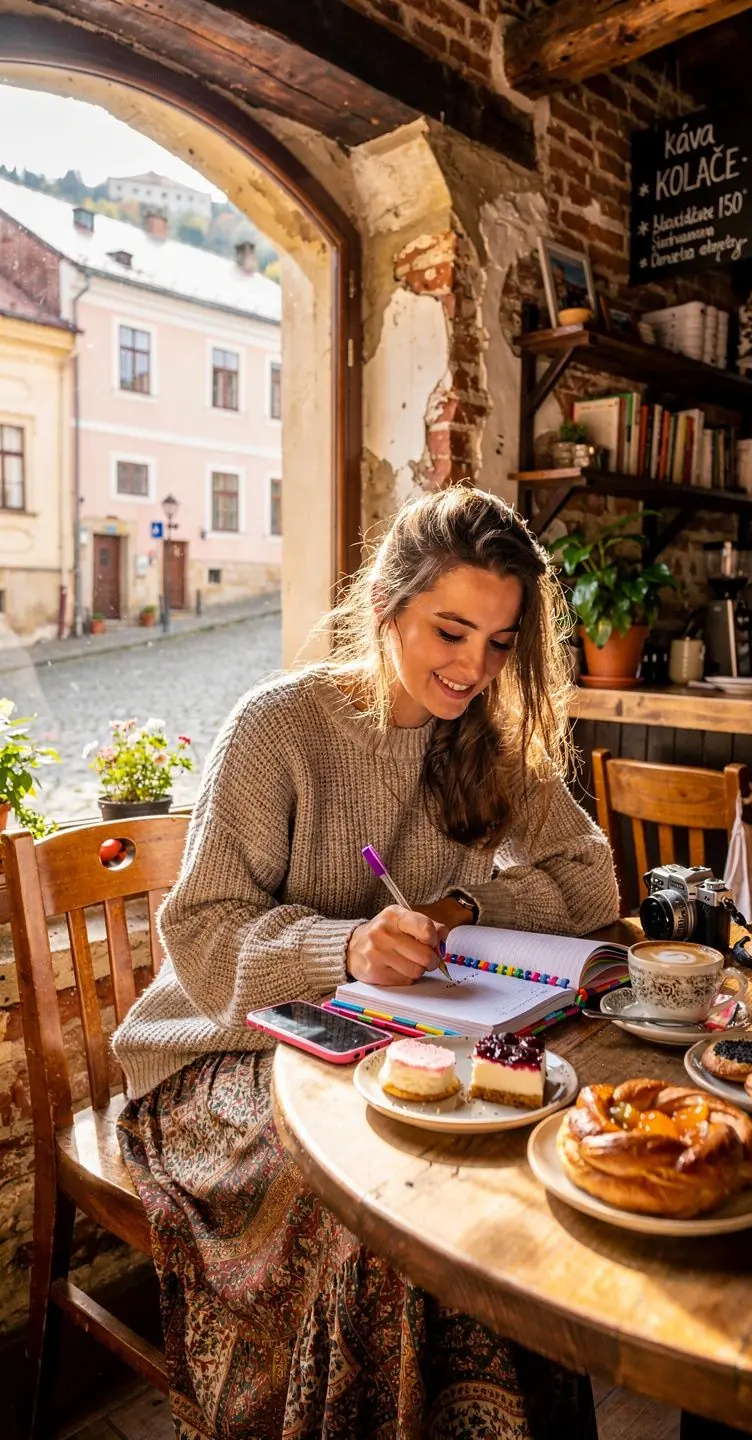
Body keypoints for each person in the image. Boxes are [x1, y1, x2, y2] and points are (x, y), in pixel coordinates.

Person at [114, 485, 619, 1439]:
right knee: (388, 1221)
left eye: (501, 642)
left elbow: (590, 880)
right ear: (388, 603)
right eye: (450, 631)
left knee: (496, 1177)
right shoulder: (281, 728)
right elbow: (206, 932)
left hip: (384, 1044)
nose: (474, 667)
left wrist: (463, 908)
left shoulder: (485, 738)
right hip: (220, 1049)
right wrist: (339, 946)